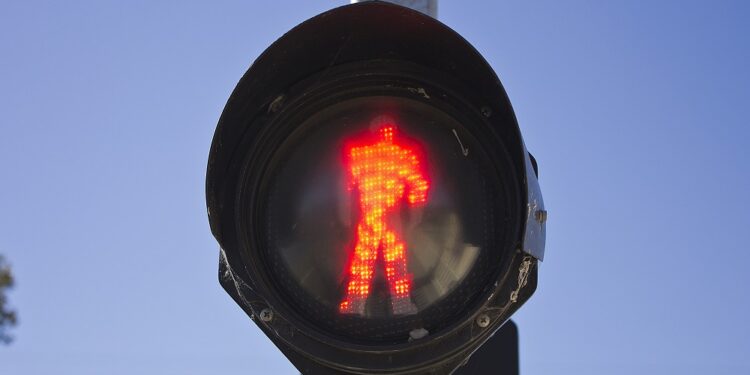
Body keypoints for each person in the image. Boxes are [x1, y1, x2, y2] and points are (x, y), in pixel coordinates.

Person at [339, 123, 429, 316]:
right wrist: (415, 213)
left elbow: (417, 185)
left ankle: (387, 306)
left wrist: (416, 212)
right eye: (382, 130)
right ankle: (391, 306)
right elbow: (346, 184)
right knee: (372, 262)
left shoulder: (367, 154)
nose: (384, 133)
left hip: (383, 215)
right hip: (378, 216)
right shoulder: (394, 155)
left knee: (383, 262)